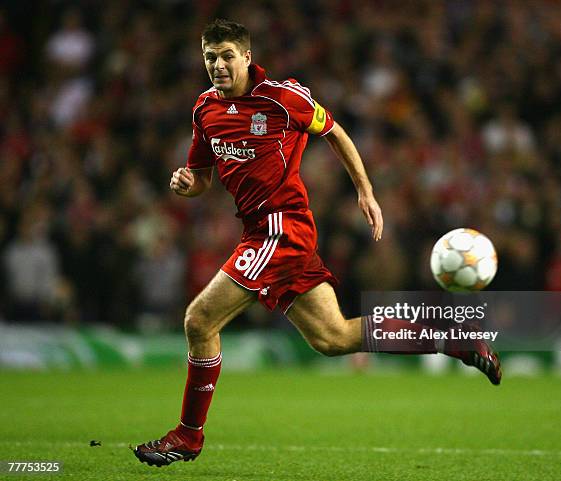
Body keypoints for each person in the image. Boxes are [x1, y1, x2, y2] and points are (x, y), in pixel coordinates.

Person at [133, 19, 501, 467]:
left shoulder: (283, 98)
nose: (218, 65)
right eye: (210, 57)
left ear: (247, 57)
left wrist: (365, 190)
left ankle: (188, 437)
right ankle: (450, 339)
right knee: (333, 337)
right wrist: (185, 182)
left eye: (227, 55)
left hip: (281, 229)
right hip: (260, 232)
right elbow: (202, 179)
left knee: (199, 321)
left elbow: (336, 133)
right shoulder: (204, 109)